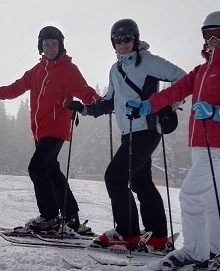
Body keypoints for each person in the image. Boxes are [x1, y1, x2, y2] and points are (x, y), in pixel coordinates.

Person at [124, 10, 220, 271]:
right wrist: (146, 106)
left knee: (190, 195)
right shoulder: (203, 69)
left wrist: (219, 112)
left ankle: (195, 253)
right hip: (201, 144)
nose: (213, 40)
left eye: (218, 34)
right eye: (208, 34)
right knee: (211, 198)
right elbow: (176, 90)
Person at [71, 19, 186, 251]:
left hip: (146, 129)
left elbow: (182, 77)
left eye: (127, 39)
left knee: (114, 177)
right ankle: (157, 235)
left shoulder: (148, 61)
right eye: (118, 40)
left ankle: (127, 232)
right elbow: (110, 102)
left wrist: (166, 105)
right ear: (113, 43)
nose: (122, 44)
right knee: (140, 181)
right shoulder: (116, 69)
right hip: (129, 132)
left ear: (135, 39)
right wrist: (84, 109)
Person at [0, 25, 100, 235]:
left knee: (37, 168)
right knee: (51, 171)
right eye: (46, 44)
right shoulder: (37, 70)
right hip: (40, 131)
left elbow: (85, 91)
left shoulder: (68, 69)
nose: (50, 47)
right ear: (40, 46)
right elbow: (16, 88)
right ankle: (71, 216)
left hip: (56, 129)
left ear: (61, 46)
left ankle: (49, 217)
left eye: (54, 43)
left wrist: (101, 103)